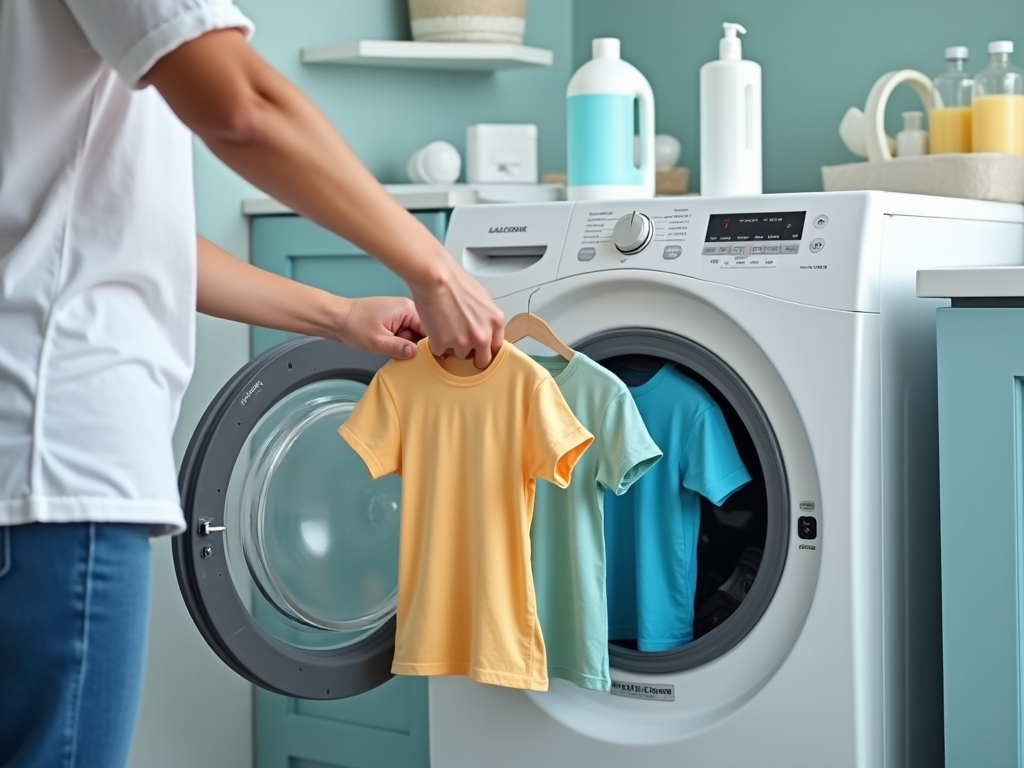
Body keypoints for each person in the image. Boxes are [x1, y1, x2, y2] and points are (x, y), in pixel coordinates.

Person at [0, 1, 505, 766]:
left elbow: (116, 229)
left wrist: (336, 315)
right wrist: (434, 269)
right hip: (55, 460)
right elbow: (244, 106)